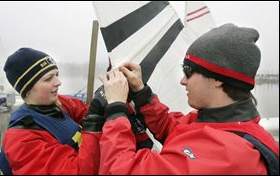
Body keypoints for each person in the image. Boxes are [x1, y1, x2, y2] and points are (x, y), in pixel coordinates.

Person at [98, 24, 279, 174]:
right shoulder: (220, 122)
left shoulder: (227, 156)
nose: (182, 80)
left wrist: (116, 109)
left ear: (217, 78)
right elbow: (174, 129)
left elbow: (120, 170)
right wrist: (141, 91)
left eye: (188, 71)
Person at [0, 48, 103, 175]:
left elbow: (84, 112)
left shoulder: (58, 103)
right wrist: (94, 120)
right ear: (28, 89)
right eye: (48, 79)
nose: (58, 82)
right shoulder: (22, 140)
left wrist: (110, 101)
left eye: (56, 75)